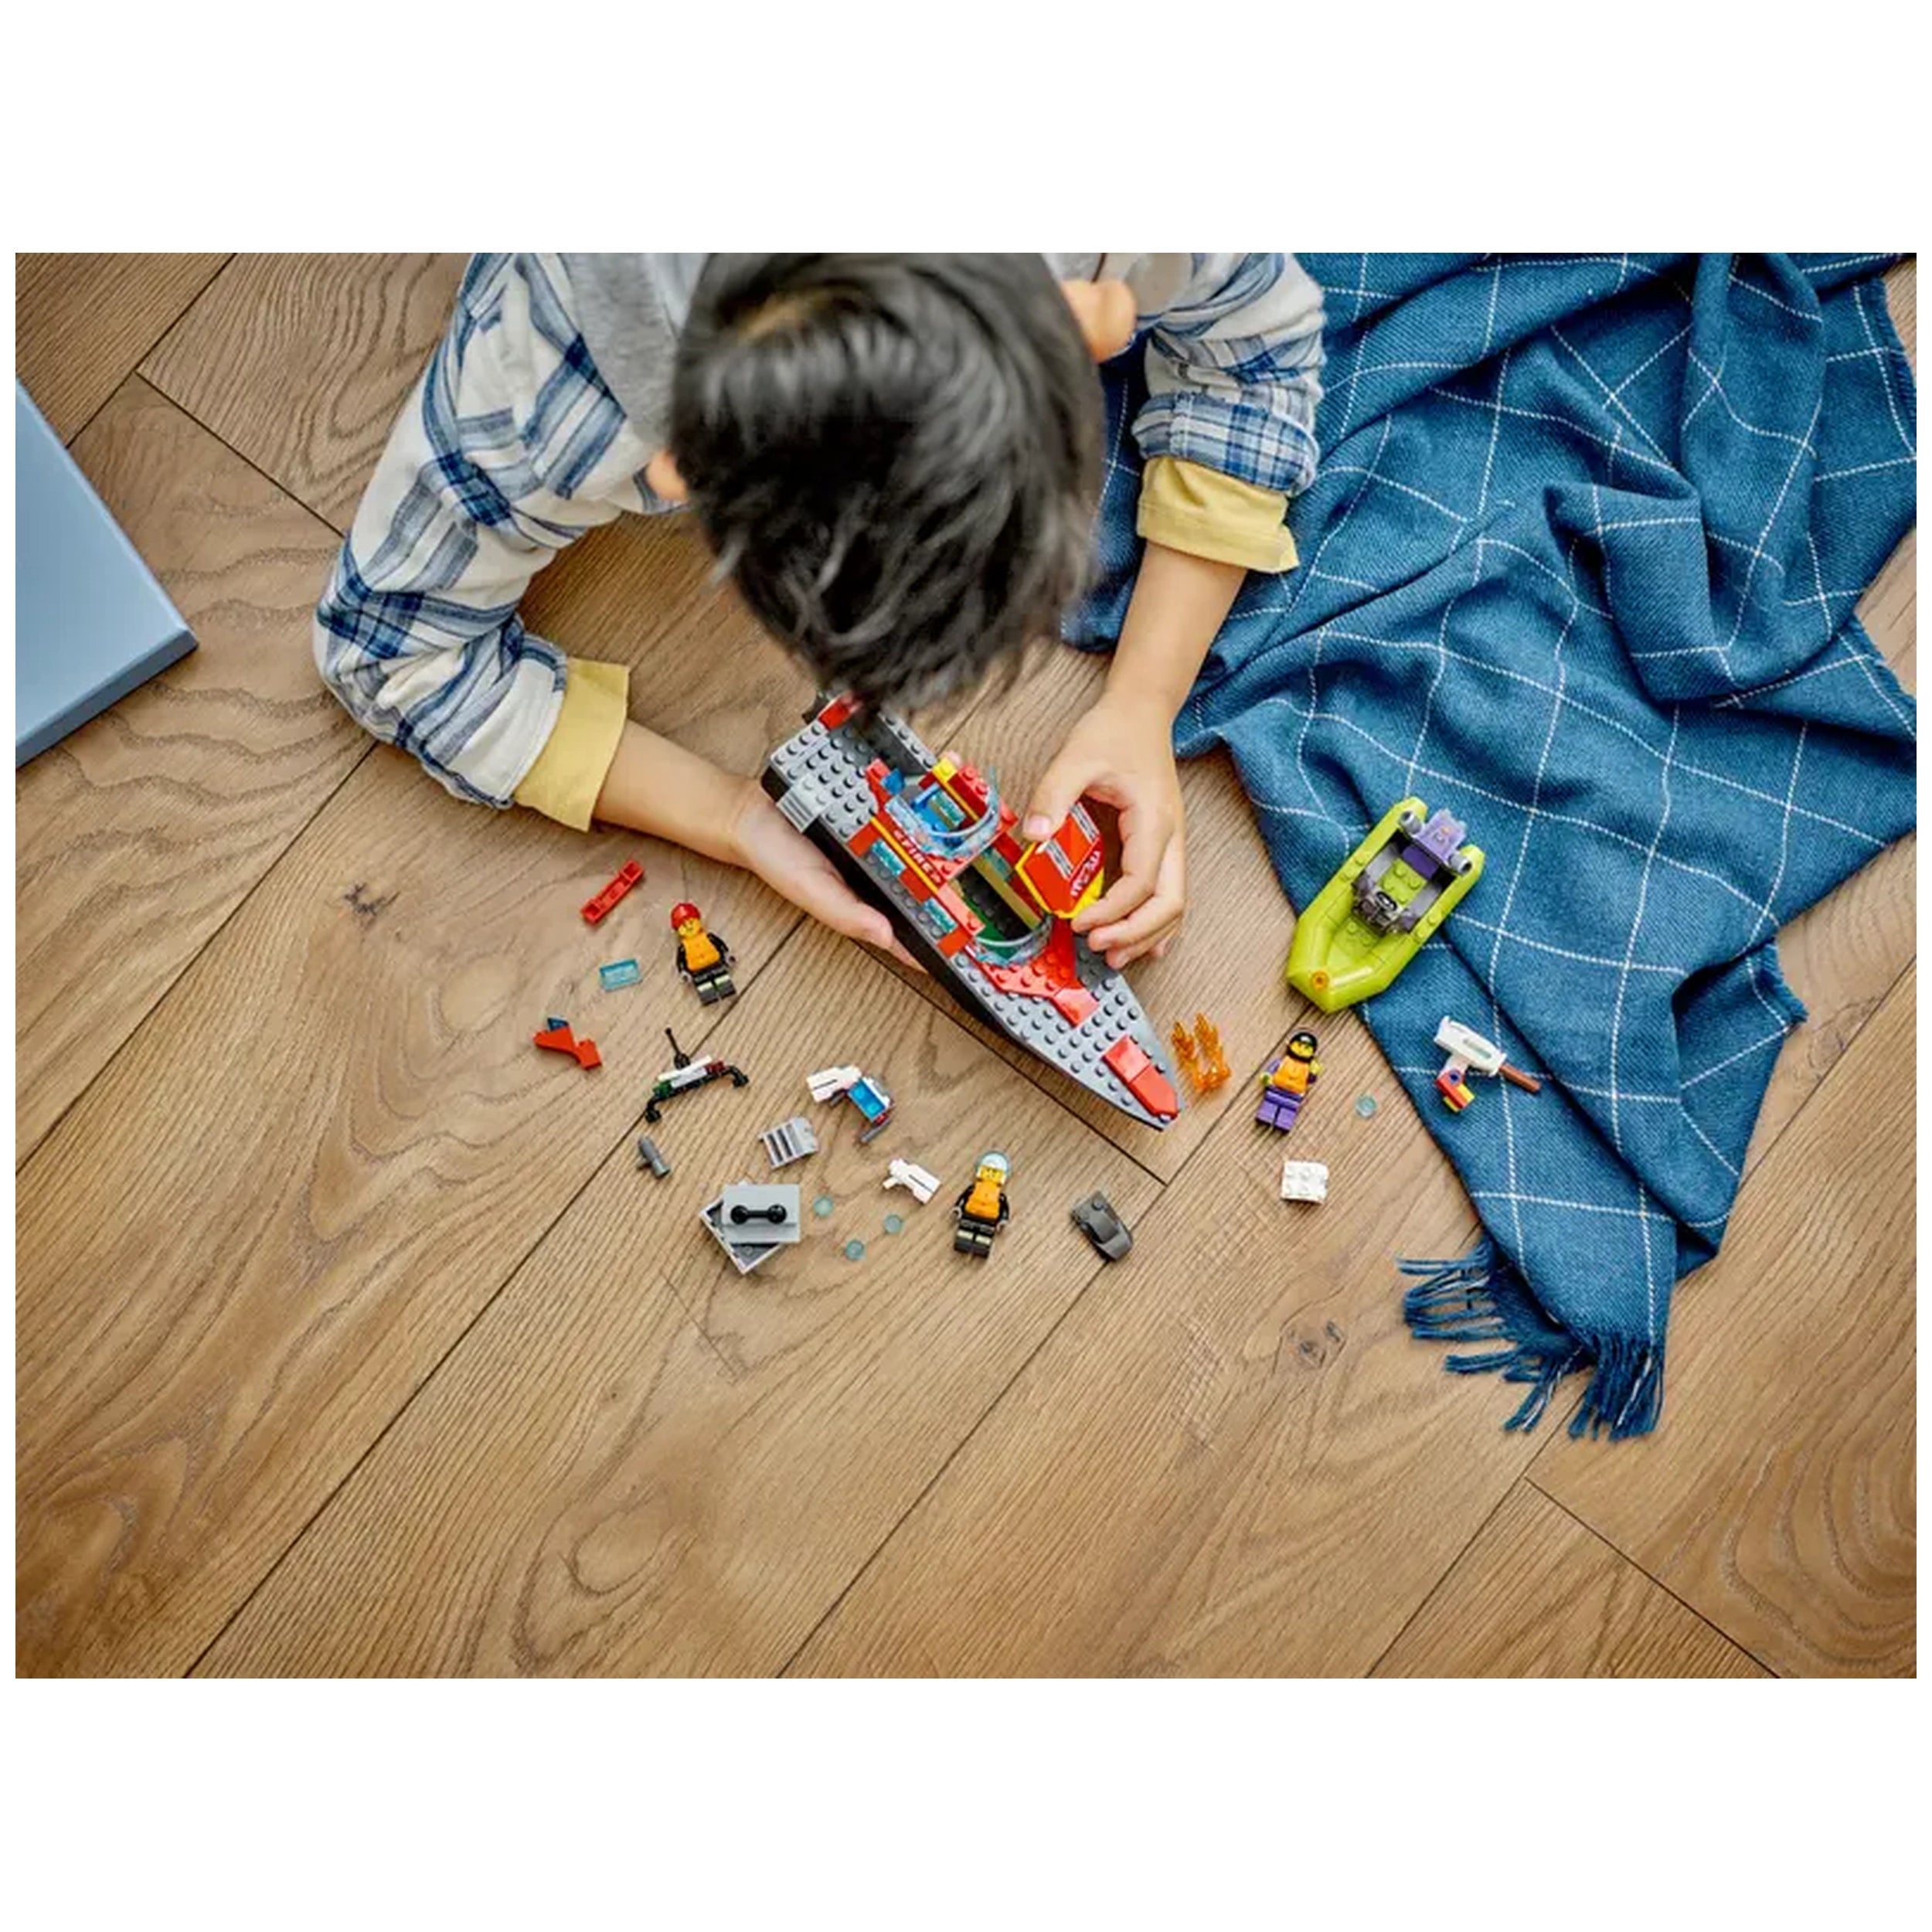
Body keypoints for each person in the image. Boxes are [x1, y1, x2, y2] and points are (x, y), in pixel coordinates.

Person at [315, 254, 1325, 969]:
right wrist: (732, 818)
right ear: (676, 474)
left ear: (1089, 315)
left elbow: (1259, 346)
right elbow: (392, 656)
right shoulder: (551, 399)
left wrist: (1143, 703)